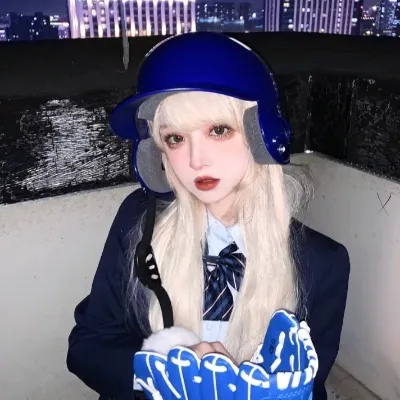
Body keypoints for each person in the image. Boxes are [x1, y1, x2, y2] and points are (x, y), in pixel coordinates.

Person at [66, 32, 350, 400]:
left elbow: (312, 383)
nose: (196, 160)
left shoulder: (324, 263)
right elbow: (88, 345)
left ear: (261, 136)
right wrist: (157, 378)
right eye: (175, 138)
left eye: (218, 130)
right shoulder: (139, 222)